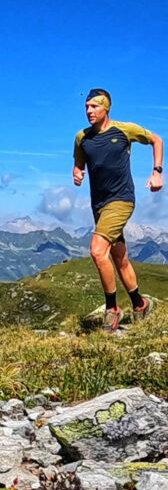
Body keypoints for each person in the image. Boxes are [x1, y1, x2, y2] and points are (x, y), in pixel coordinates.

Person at [73, 88, 163, 332]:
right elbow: (79, 163)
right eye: (87, 107)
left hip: (122, 200)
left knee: (97, 250)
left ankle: (112, 309)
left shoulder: (124, 130)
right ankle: (140, 304)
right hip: (99, 204)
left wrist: (157, 171)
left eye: (94, 106)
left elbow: (157, 139)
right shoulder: (82, 137)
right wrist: (77, 172)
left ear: (106, 108)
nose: (89, 111)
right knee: (119, 257)